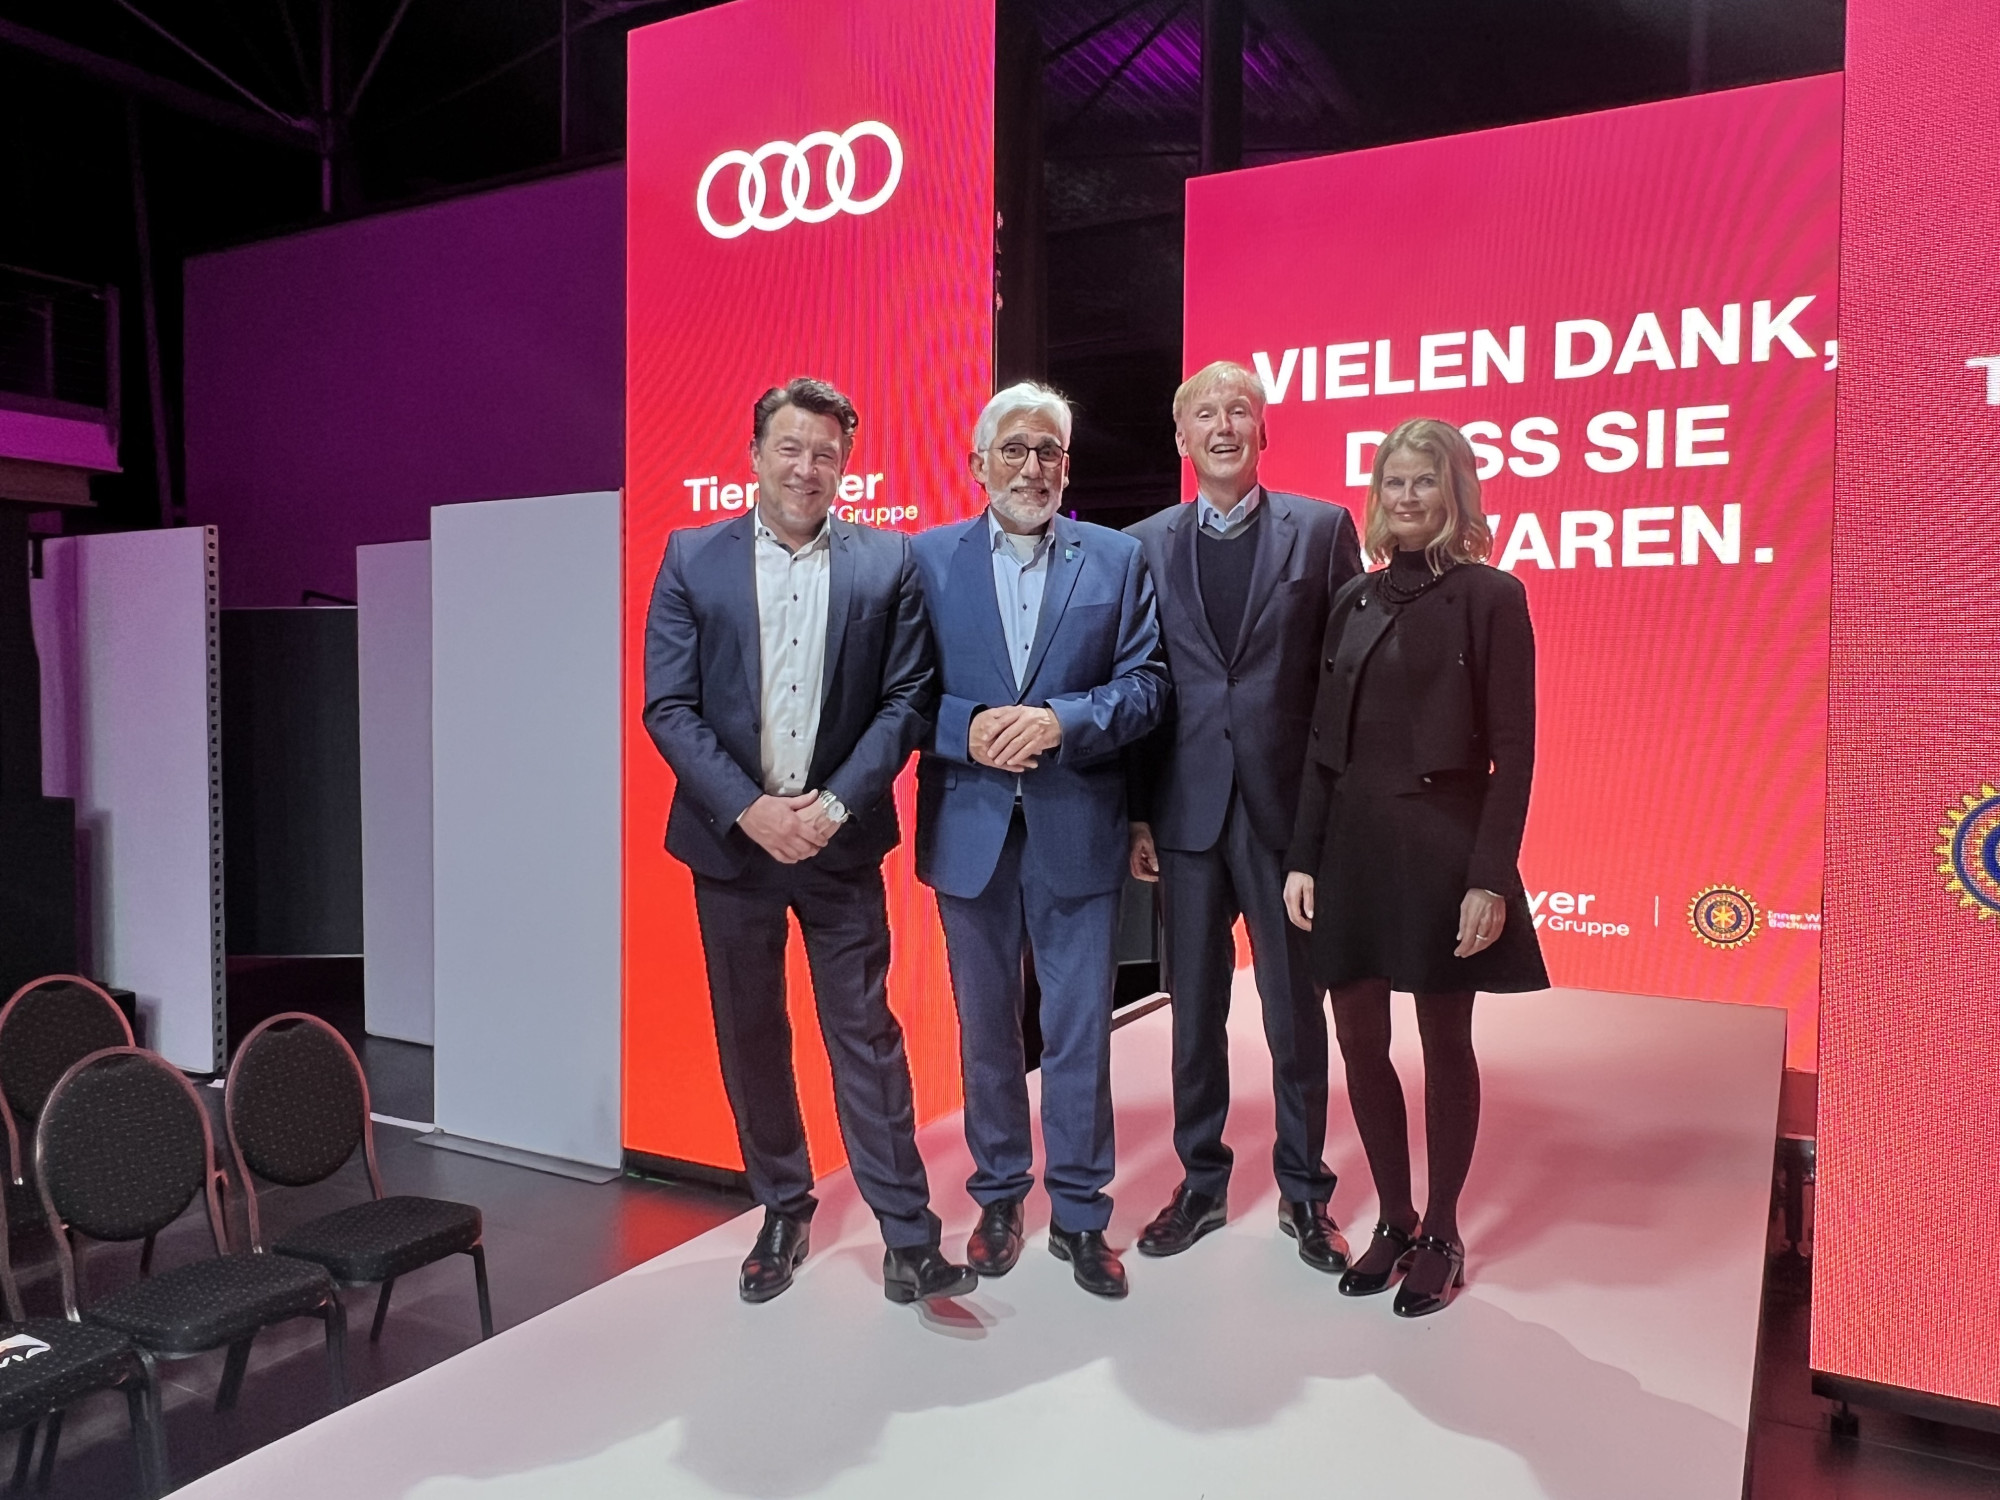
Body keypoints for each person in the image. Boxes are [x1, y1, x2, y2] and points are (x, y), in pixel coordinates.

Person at [642, 377, 975, 1308]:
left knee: (865, 1035)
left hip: (840, 844)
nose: (807, 468)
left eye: (826, 453)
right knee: (751, 1034)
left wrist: (830, 806)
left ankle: (908, 1237)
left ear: (845, 465)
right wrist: (750, 810)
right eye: (790, 448)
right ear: (755, 455)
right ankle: (783, 1209)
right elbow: (668, 706)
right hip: (731, 849)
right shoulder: (691, 558)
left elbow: (906, 699)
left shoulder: (887, 562)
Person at [1283, 417, 1548, 1318]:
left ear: (1454, 494)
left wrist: (1489, 877)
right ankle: (1393, 1220)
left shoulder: (1493, 596)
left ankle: (1441, 1231)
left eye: (1424, 482)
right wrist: (1302, 858)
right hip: (1351, 847)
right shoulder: (1352, 600)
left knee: (1444, 1042)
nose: (1406, 497)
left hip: (1442, 847)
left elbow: (1515, 752)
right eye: (1394, 482)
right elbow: (1323, 746)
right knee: (1358, 1040)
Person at [911, 382, 1170, 1300]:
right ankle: (998, 1196)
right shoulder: (926, 560)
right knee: (987, 1030)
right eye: (1013, 449)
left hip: (1078, 827)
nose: (1032, 467)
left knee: (1078, 1033)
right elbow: (898, 691)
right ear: (977, 463)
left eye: (1048, 451)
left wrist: (1063, 721)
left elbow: (1147, 684)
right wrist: (964, 727)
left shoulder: (1117, 559)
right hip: (970, 830)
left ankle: (1082, 1212)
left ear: (1068, 465)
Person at [1125, 361, 1362, 1270]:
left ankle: (1305, 1191)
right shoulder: (1141, 544)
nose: (1223, 425)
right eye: (1204, 413)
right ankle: (1202, 1182)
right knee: (1192, 1012)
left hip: (1285, 818)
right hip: (1183, 816)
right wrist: (1138, 814)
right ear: (1181, 438)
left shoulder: (1323, 530)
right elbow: (1139, 682)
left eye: (1239, 411)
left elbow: (1344, 683)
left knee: (1295, 1011)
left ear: (1264, 432)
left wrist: (1329, 820)